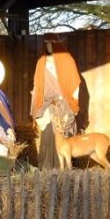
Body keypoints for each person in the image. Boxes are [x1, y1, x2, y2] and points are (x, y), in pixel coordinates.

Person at [30, 34, 82, 169]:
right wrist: (36, 103)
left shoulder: (67, 60)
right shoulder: (41, 62)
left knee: (64, 131)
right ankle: (46, 167)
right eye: (46, 43)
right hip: (47, 104)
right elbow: (37, 85)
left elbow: (74, 83)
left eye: (51, 43)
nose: (48, 46)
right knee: (48, 133)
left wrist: (74, 101)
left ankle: (65, 167)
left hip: (64, 103)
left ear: (57, 43)